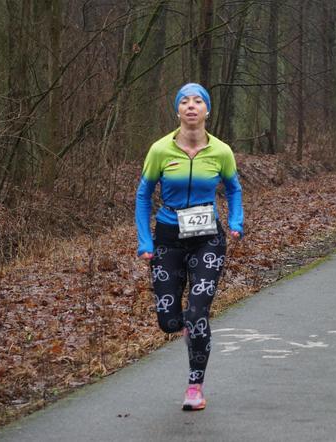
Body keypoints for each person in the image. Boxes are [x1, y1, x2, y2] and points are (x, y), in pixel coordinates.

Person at [135, 83, 244, 410]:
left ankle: (195, 387)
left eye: (199, 101)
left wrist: (236, 222)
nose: (192, 106)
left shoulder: (221, 151)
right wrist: (145, 240)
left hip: (207, 238)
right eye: (185, 101)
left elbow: (234, 190)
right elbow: (143, 196)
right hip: (168, 239)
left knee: (197, 313)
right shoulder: (160, 150)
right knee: (169, 321)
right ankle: (189, 329)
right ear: (178, 110)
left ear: (207, 111)